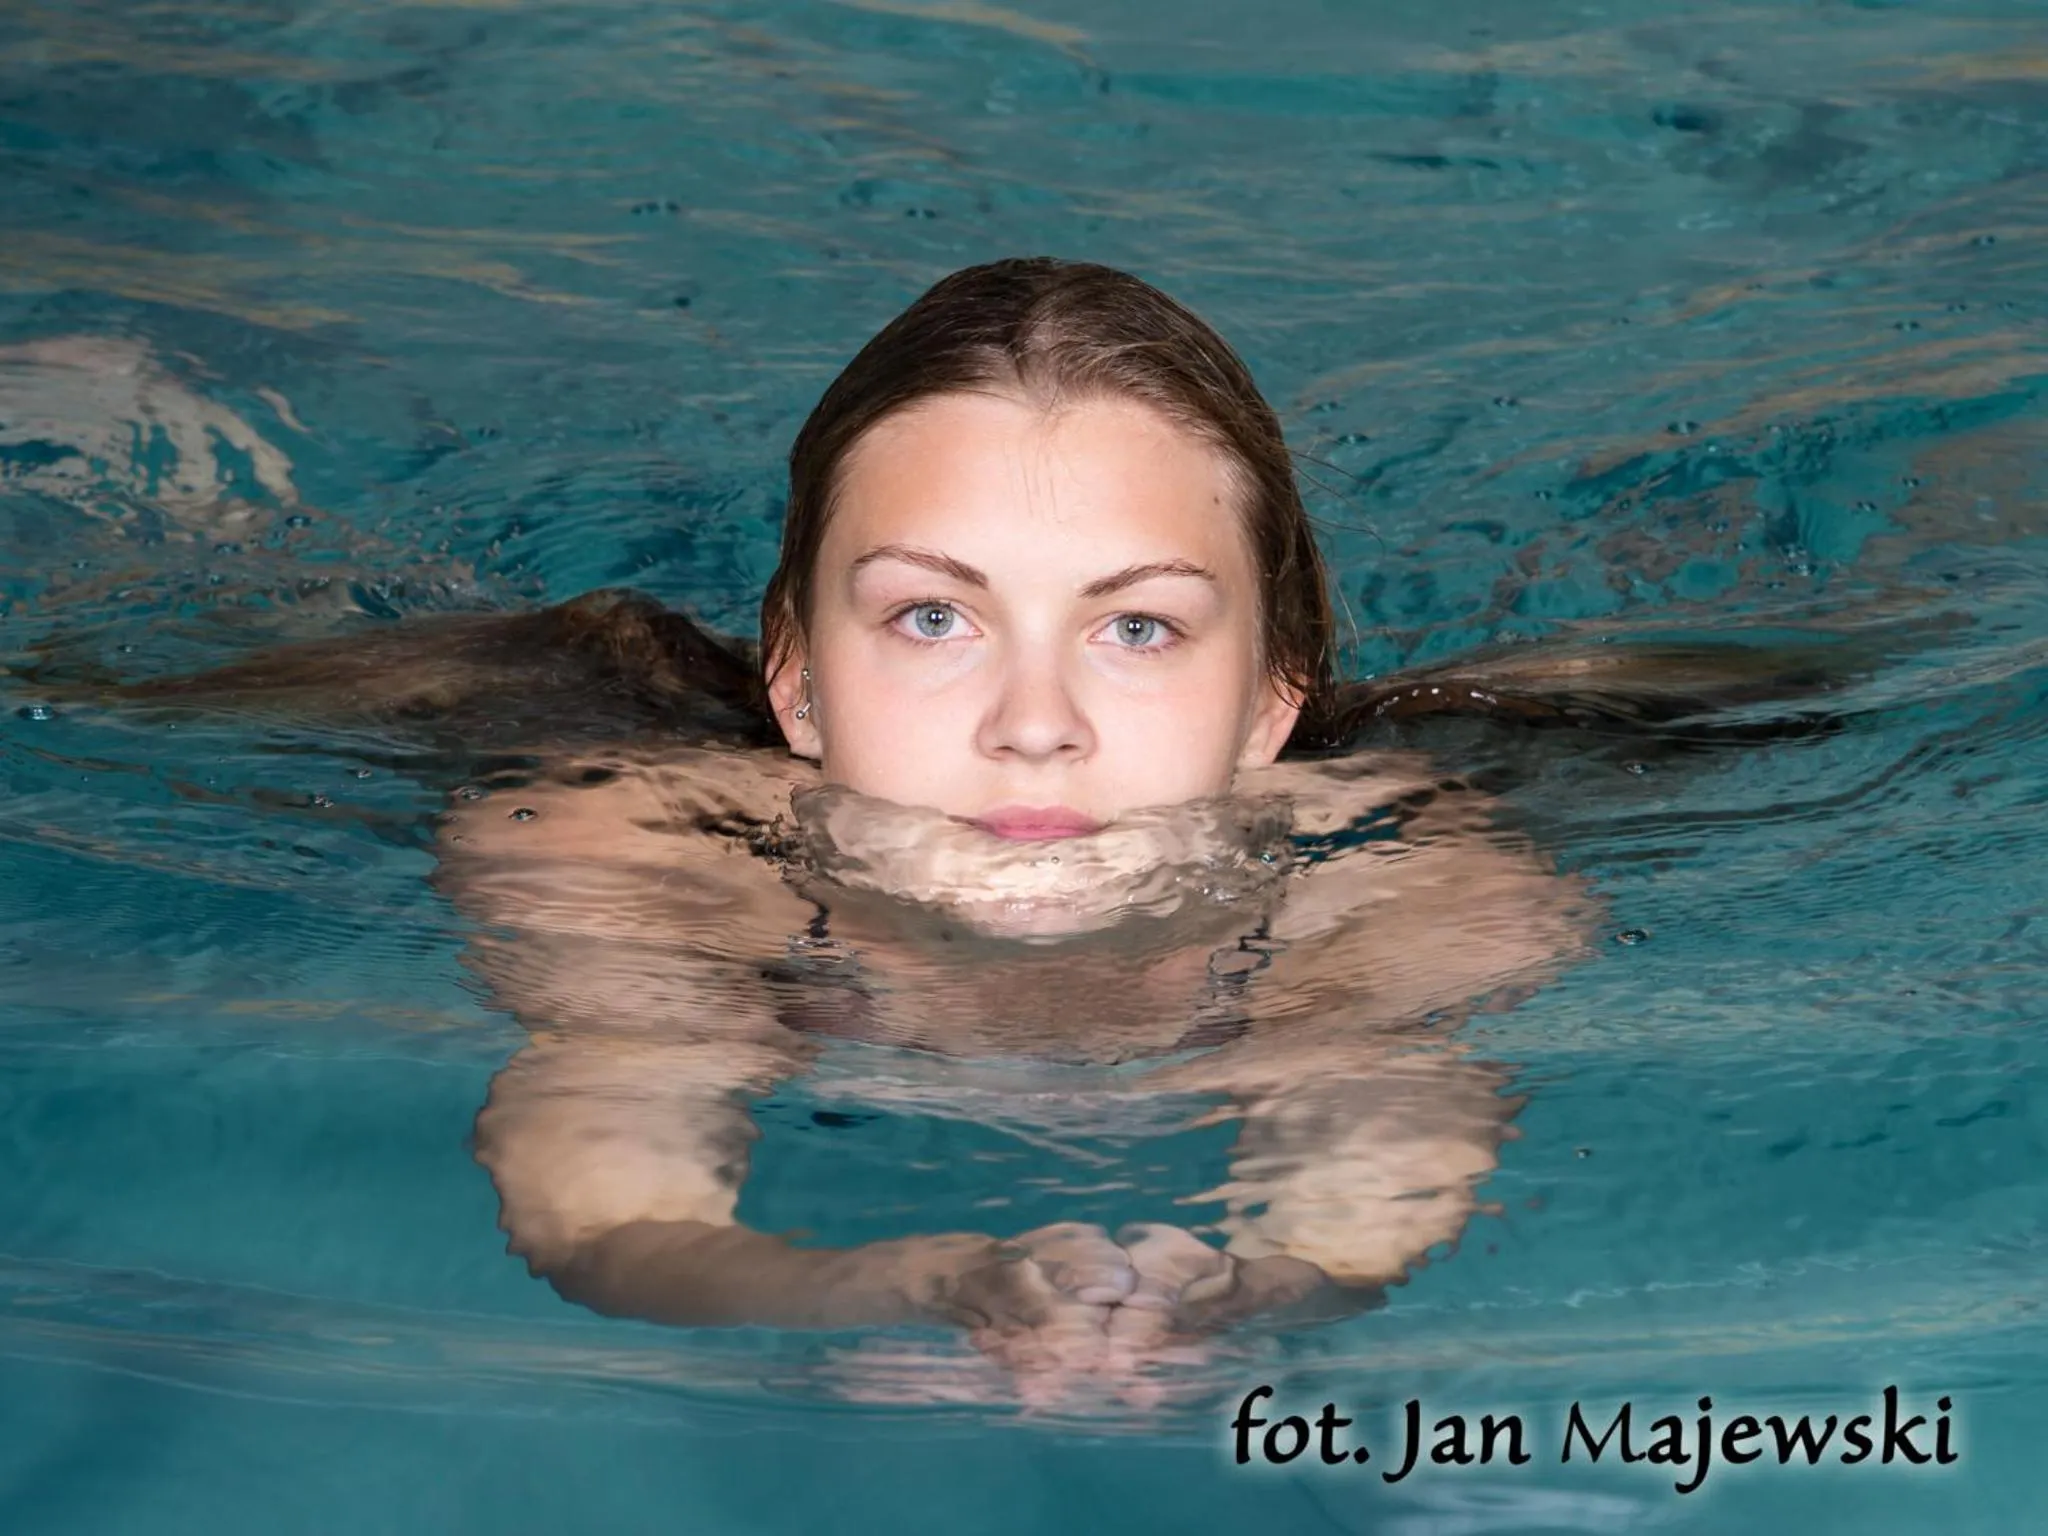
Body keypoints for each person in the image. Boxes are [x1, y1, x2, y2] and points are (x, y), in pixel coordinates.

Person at [70, 259, 1857, 1402]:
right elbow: (605, 1211)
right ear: (797, 682)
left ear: (1269, 701)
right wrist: (907, 1279)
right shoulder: (626, 848)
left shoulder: (1411, 877)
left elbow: (1366, 1175)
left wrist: (1241, 1295)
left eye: (1137, 626)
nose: (1035, 720)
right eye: (933, 616)